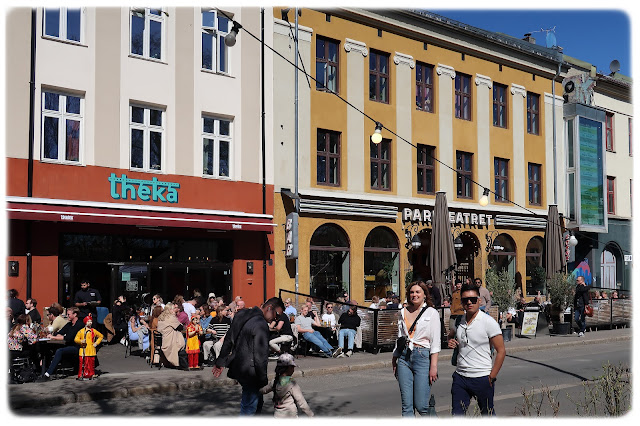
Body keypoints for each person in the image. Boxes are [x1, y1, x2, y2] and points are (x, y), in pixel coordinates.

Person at [213, 297, 285, 416]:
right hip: (251, 371)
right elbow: (260, 356)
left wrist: (220, 361)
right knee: (249, 407)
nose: (276, 319)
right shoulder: (261, 325)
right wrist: (263, 379)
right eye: (276, 315)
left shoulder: (242, 315)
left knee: (256, 402)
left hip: (239, 367)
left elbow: (228, 339)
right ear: (269, 308)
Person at [448, 283, 505, 416]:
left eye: (473, 299)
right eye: (465, 300)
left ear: (479, 300)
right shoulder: (459, 321)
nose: (469, 302)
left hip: (482, 377)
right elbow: (451, 336)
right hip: (460, 377)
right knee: (457, 416)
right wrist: (450, 342)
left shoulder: (488, 322)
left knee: (487, 414)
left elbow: (501, 350)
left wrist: (492, 377)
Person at [392, 280, 441, 417]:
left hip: (422, 356)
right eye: (412, 292)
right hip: (403, 357)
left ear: (424, 294)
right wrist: (395, 358)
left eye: (418, 292)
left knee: (421, 406)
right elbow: (400, 337)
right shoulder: (403, 312)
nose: (414, 295)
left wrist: (434, 366)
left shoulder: (431, 313)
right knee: (407, 407)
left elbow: (435, 342)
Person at [260, 353, 314, 418]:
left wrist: (257, 390)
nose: (293, 369)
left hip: (277, 416)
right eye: (293, 367)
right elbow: (302, 402)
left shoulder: (275, 381)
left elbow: (264, 390)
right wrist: (311, 415)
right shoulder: (292, 384)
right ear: (289, 368)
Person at [39, 307, 84, 381]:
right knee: (48, 347)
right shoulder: (69, 324)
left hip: (77, 347)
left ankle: (48, 374)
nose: (67, 316)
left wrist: (54, 337)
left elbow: (69, 338)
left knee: (60, 351)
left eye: (69, 314)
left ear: (75, 314)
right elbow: (59, 333)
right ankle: (44, 369)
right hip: (68, 344)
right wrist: (58, 336)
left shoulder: (79, 324)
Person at [74, 314, 103, 380]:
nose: (90, 323)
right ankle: (82, 375)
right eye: (88, 321)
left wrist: (96, 343)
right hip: (83, 350)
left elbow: (101, 336)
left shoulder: (93, 331)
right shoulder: (81, 331)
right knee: (83, 363)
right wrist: (81, 341)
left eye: (90, 321)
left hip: (91, 350)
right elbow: (76, 339)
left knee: (91, 363)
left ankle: (91, 374)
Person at [157, 303, 186, 368]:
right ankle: (180, 363)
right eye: (174, 308)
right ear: (170, 310)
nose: (175, 310)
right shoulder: (170, 317)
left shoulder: (161, 316)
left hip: (163, 338)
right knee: (180, 341)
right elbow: (180, 327)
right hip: (170, 340)